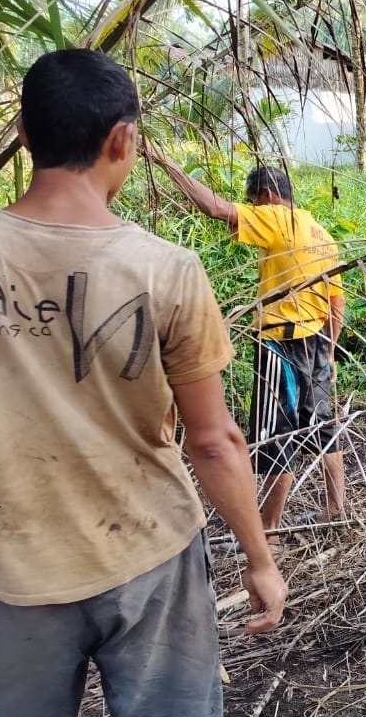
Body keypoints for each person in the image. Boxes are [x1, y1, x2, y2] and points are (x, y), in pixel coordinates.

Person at [0, 49, 288, 717]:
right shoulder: (167, 269)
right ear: (123, 141)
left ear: (23, 133)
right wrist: (259, 557)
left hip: (12, 569)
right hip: (152, 559)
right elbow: (214, 440)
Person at [146, 153, 348, 535]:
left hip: (282, 346)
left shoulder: (277, 218)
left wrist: (164, 162)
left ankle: (267, 530)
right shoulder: (321, 233)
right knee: (322, 428)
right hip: (317, 343)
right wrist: (330, 351)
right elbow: (336, 303)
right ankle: (336, 509)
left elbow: (213, 208)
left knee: (276, 437)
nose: (252, 213)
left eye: (253, 204)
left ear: (269, 196)